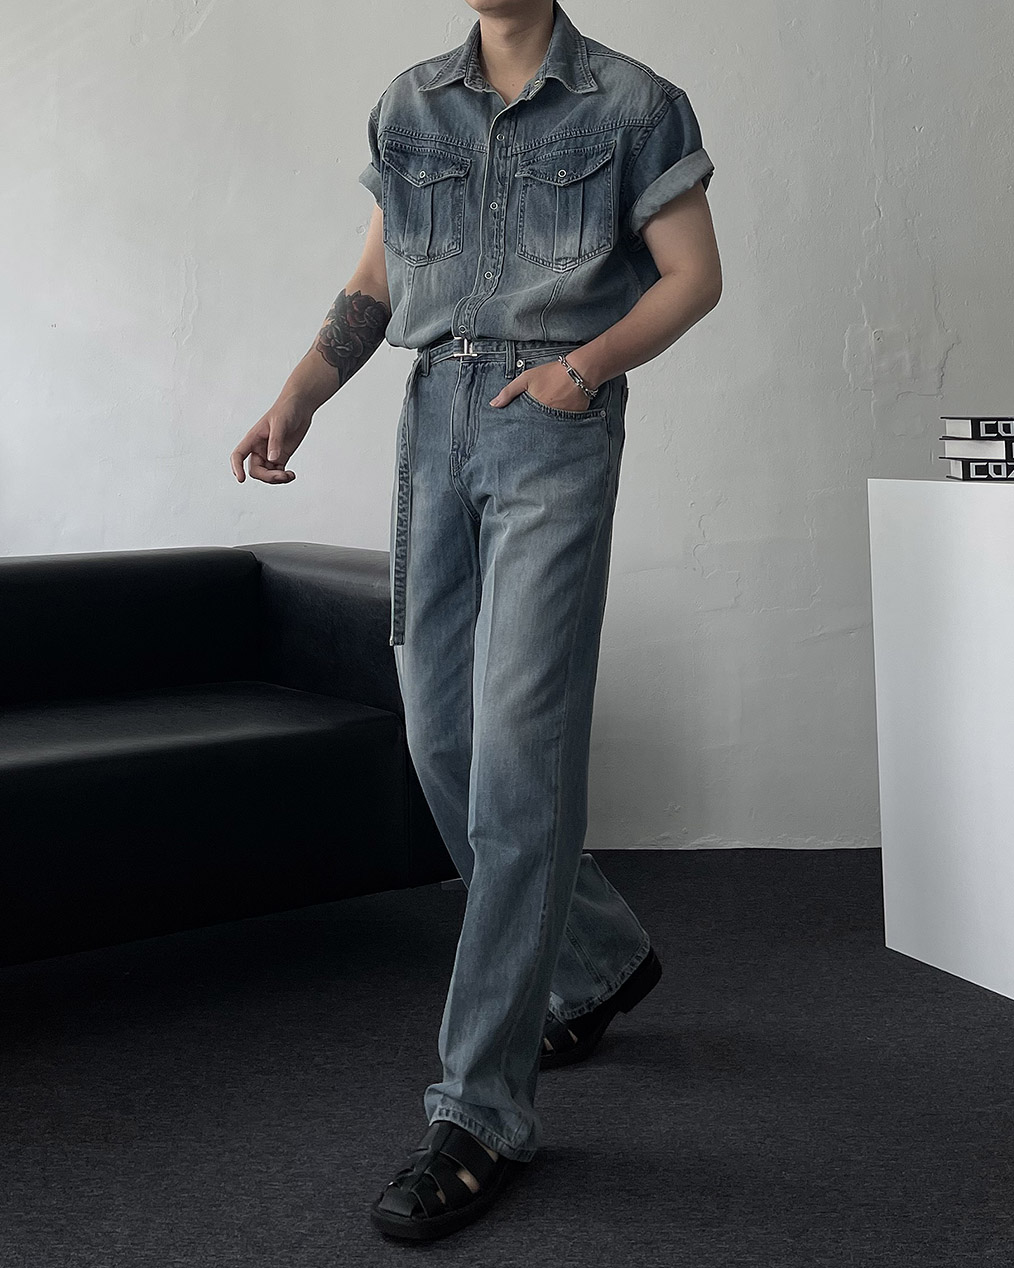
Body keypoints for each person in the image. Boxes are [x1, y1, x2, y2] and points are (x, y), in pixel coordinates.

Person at [230, 0, 721, 1242]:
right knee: (440, 738)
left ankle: (481, 1110)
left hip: (551, 426)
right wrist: (300, 392)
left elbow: (694, 276)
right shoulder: (409, 104)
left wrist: (581, 370)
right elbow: (377, 275)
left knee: (518, 763)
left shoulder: (634, 103)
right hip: (432, 423)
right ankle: (597, 958)